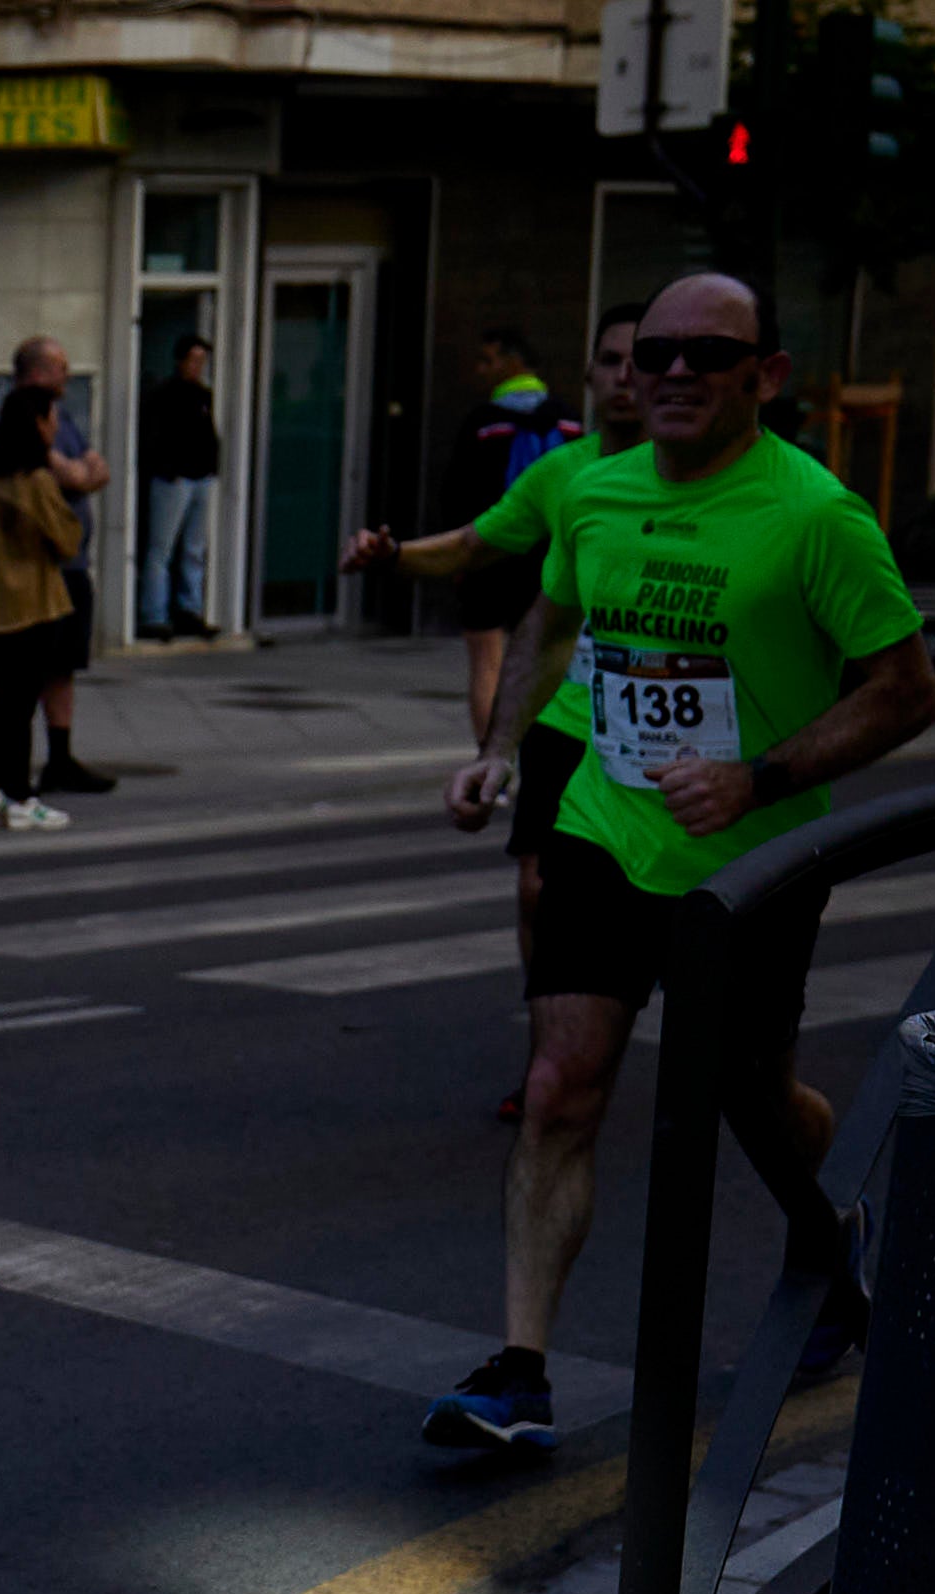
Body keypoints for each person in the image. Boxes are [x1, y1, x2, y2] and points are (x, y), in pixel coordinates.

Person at [422, 272, 935, 1452]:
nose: (670, 374)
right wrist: (496, 753)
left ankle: (830, 1227)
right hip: (603, 830)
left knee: (749, 1096)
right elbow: (554, 622)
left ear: (764, 376)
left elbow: (907, 691)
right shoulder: (594, 493)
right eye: (652, 353)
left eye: (705, 355)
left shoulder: (816, 516)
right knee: (559, 1087)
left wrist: (758, 775)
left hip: (753, 858)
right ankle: (518, 1373)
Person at [350, 300, 647, 1122]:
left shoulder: (716, 485)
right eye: (612, 360)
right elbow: (476, 545)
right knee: (536, 892)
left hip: (675, 742)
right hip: (572, 721)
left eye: (644, 360)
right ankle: (551, 1057)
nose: (628, 377)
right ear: (586, 376)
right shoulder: (566, 473)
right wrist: (393, 555)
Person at [432, 328, 581, 737]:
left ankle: (490, 759)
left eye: (487, 360)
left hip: (488, 553)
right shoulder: (569, 420)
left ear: (513, 362)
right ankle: (536, 750)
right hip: (548, 557)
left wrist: (457, 558)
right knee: (545, 660)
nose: (479, 370)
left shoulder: (483, 423)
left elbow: (456, 495)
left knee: (486, 661)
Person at [0, 384, 86, 832]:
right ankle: (20, 797)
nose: (55, 425)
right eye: (51, 417)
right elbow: (68, 539)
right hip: (32, 604)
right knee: (20, 705)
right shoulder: (36, 482)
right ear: (37, 423)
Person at [11, 336, 116, 793]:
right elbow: (69, 473)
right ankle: (12, 773)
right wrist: (79, 474)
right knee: (31, 668)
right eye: (61, 367)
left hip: (74, 565)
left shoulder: (64, 416)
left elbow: (97, 469)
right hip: (41, 568)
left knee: (64, 666)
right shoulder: (20, 416)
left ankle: (60, 757)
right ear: (38, 372)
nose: (67, 376)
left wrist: (82, 474)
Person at [135, 336, 219, 639]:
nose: (198, 367)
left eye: (202, 361)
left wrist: (211, 467)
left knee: (194, 550)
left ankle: (189, 610)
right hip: (174, 479)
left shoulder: (203, 395)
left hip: (199, 478)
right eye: (194, 360)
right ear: (180, 361)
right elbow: (152, 436)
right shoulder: (164, 395)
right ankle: (154, 615)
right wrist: (167, 469)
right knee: (162, 549)